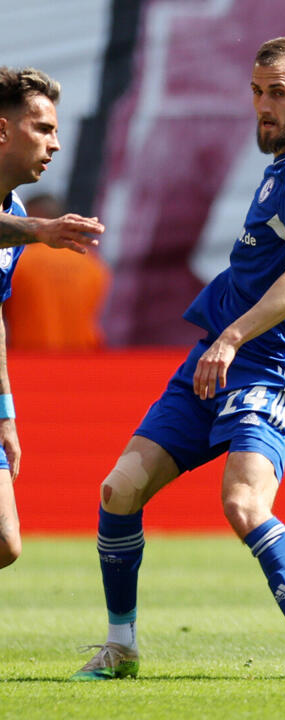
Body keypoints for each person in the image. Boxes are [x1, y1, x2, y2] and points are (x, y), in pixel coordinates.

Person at [70, 37, 285, 683]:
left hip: (264, 366)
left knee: (244, 505)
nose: (262, 106)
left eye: (277, 93)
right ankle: (121, 646)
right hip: (214, 361)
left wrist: (233, 337)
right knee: (119, 490)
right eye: (256, 91)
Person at [0, 67, 104, 570]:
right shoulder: (26, 225)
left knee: (5, 542)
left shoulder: (16, 211)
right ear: (2, 131)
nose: (55, 144)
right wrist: (38, 230)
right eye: (43, 128)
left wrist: (5, 410)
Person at [4, 193, 110, 350]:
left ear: (35, 218)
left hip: (29, 359)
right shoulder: (93, 264)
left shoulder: (18, 260)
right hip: (83, 358)